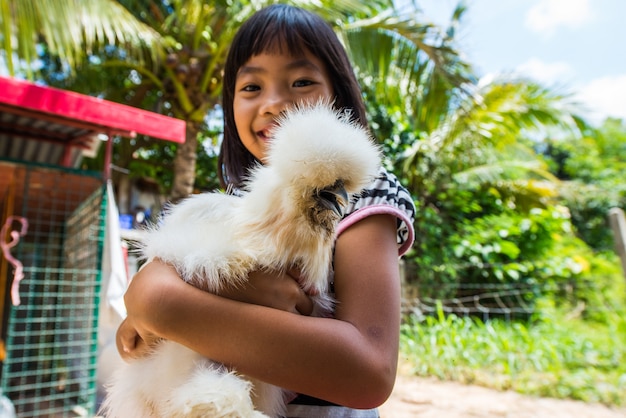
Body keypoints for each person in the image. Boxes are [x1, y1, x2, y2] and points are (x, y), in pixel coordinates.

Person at [116, 4, 416, 417]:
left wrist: (166, 303)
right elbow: (133, 342)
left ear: (339, 98)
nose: (274, 103)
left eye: (302, 81)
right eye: (251, 88)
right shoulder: (226, 209)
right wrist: (161, 299)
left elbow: (370, 373)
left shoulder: (353, 192)